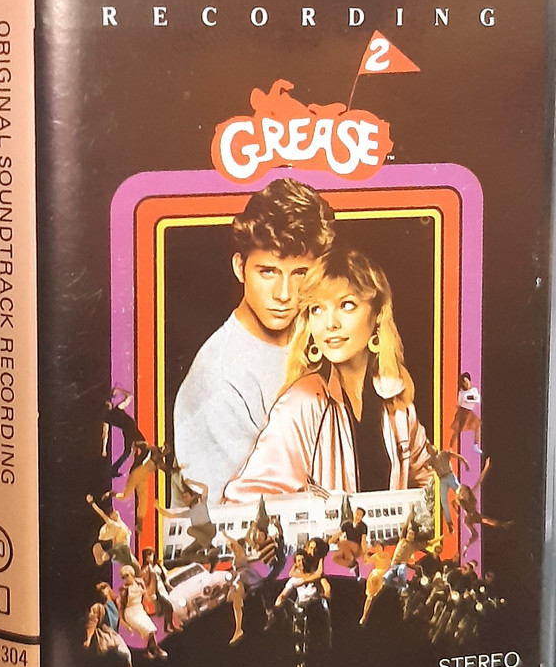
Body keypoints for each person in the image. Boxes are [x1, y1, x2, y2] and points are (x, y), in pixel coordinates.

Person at [223, 245, 433, 502]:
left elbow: (432, 482)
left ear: (378, 313)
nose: (330, 324)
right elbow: (245, 503)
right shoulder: (303, 401)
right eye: (317, 309)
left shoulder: (395, 401)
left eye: (346, 305)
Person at [173, 178, 335, 502]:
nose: (284, 294)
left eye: (300, 273)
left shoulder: (323, 336)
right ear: (240, 267)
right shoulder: (220, 378)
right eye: (268, 272)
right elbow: (223, 520)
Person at [103, 442, 182, 534]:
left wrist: (180, 468)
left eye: (167, 451)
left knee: (143, 501)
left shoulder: (161, 462)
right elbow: (145, 445)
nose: (165, 451)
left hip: (144, 479)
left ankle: (139, 525)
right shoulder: (155, 451)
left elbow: (169, 470)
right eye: (165, 448)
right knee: (125, 496)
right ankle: (112, 493)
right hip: (137, 474)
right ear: (163, 447)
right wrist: (136, 446)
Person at [154, 478, 220, 571]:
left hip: (208, 530)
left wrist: (192, 482)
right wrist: (158, 508)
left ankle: (210, 547)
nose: (185, 500)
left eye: (186, 497)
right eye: (183, 498)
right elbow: (171, 515)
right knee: (185, 554)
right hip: (201, 537)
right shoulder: (188, 512)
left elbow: (205, 488)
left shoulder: (201, 502)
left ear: (192, 496)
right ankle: (210, 559)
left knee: (190, 530)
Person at [83, 582, 142, 667]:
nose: (103, 591)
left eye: (104, 588)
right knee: (124, 653)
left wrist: (127, 627)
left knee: (125, 654)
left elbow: (118, 618)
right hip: (106, 634)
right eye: (100, 590)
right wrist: (88, 639)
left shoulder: (114, 603)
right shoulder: (98, 607)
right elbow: (92, 623)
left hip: (114, 634)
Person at [452, 457, 513, 555]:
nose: (464, 495)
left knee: (485, 523)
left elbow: (480, 480)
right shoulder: (461, 502)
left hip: (475, 515)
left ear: (467, 491)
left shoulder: (472, 493)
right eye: (462, 495)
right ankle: (466, 547)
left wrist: (486, 467)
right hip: (469, 519)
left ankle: (503, 524)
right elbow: (454, 502)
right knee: (476, 534)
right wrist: (456, 512)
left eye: (465, 493)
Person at [118, 565, 168, 659]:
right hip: (130, 612)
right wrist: (125, 624)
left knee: (151, 628)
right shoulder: (124, 590)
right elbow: (121, 608)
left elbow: (146, 596)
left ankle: (153, 648)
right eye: (123, 577)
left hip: (140, 610)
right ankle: (146, 651)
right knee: (146, 629)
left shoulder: (140, 583)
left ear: (132, 574)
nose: (126, 579)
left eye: (127, 575)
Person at [86, 494, 140, 575]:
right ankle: (105, 555)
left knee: (137, 569)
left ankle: (109, 555)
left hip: (125, 551)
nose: (115, 512)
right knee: (121, 555)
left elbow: (114, 539)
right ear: (111, 517)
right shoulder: (113, 524)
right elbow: (102, 514)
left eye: (114, 511)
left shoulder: (121, 523)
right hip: (121, 548)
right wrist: (92, 503)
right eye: (112, 513)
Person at [101, 387, 146, 478]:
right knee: (141, 447)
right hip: (130, 429)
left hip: (128, 430)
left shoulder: (107, 419)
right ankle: (130, 468)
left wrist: (104, 449)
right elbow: (130, 396)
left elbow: (105, 434)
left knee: (131, 450)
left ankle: (115, 469)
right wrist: (119, 391)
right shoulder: (118, 408)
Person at [425, 443, 469, 534]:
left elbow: (455, 456)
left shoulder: (443, 453)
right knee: (443, 501)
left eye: (432, 448)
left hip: (450, 476)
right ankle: (449, 523)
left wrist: (465, 462)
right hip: (442, 480)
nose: (431, 450)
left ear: (435, 447)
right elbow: (426, 466)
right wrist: (428, 467)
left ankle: (468, 510)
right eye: (429, 450)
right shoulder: (431, 460)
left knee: (460, 493)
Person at [141, 547, 180, 634]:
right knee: (168, 606)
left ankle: (167, 626)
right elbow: (146, 581)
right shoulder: (145, 569)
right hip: (156, 590)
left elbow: (163, 575)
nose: (150, 557)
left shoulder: (156, 565)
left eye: (151, 555)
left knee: (168, 608)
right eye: (148, 556)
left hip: (162, 587)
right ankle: (170, 625)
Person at [330, 506, 368, 579]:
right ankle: (352, 565)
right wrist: (330, 541)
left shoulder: (363, 526)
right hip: (347, 549)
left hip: (357, 548)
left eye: (360, 515)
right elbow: (338, 534)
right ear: (353, 513)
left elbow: (363, 541)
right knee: (335, 557)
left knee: (342, 543)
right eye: (357, 513)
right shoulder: (346, 524)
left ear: (362, 517)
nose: (357, 516)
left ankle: (352, 561)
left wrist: (365, 554)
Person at [359, 541, 392, 625]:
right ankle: (364, 615)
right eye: (376, 547)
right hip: (376, 576)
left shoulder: (387, 555)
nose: (377, 548)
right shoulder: (375, 556)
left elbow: (390, 566)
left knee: (380, 596)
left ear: (382, 547)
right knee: (370, 596)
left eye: (379, 546)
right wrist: (365, 553)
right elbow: (366, 561)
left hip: (383, 576)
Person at [449, 372, 482, 454]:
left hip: (469, 412)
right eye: (464, 382)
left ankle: (475, 445)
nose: (467, 384)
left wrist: (469, 399)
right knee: (457, 430)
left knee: (477, 426)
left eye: (467, 381)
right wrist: (470, 398)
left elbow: (477, 399)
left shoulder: (474, 390)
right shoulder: (462, 392)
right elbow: (461, 401)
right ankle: (450, 447)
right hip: (462, 412)